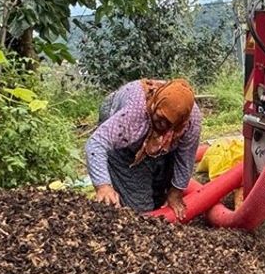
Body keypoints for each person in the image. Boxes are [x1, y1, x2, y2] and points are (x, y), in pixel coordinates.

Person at [85, 78, 203, 216]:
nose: (162, 124)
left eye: (168, 122)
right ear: (155, 105)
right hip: (120, 125)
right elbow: (96, 143)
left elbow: (186, 156)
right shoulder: (133, 114)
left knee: (159, 193)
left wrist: (176, 191)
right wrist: (103, 186)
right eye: (160, 117)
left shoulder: (190, 123)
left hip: (158, 141)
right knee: (138, 207)